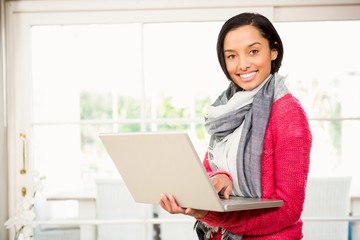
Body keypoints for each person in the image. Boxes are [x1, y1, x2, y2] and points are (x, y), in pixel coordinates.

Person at [159, 12, 312, 239]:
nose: (242, 65)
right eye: (231, 56)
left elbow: (288, 210)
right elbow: (210, 168)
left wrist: (210, 214)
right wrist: (219, 178)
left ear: (274, 51)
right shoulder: (226, 109)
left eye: (253, 51)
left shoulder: (288, 114)